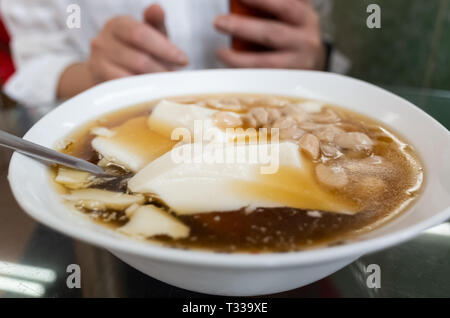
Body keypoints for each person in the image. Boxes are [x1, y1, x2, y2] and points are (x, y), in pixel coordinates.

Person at [1, 0, 346, 107]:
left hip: (280, 125)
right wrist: (97, 75)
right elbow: (38, 65)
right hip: (122, 157)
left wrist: (314, 61)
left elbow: (318, 30)